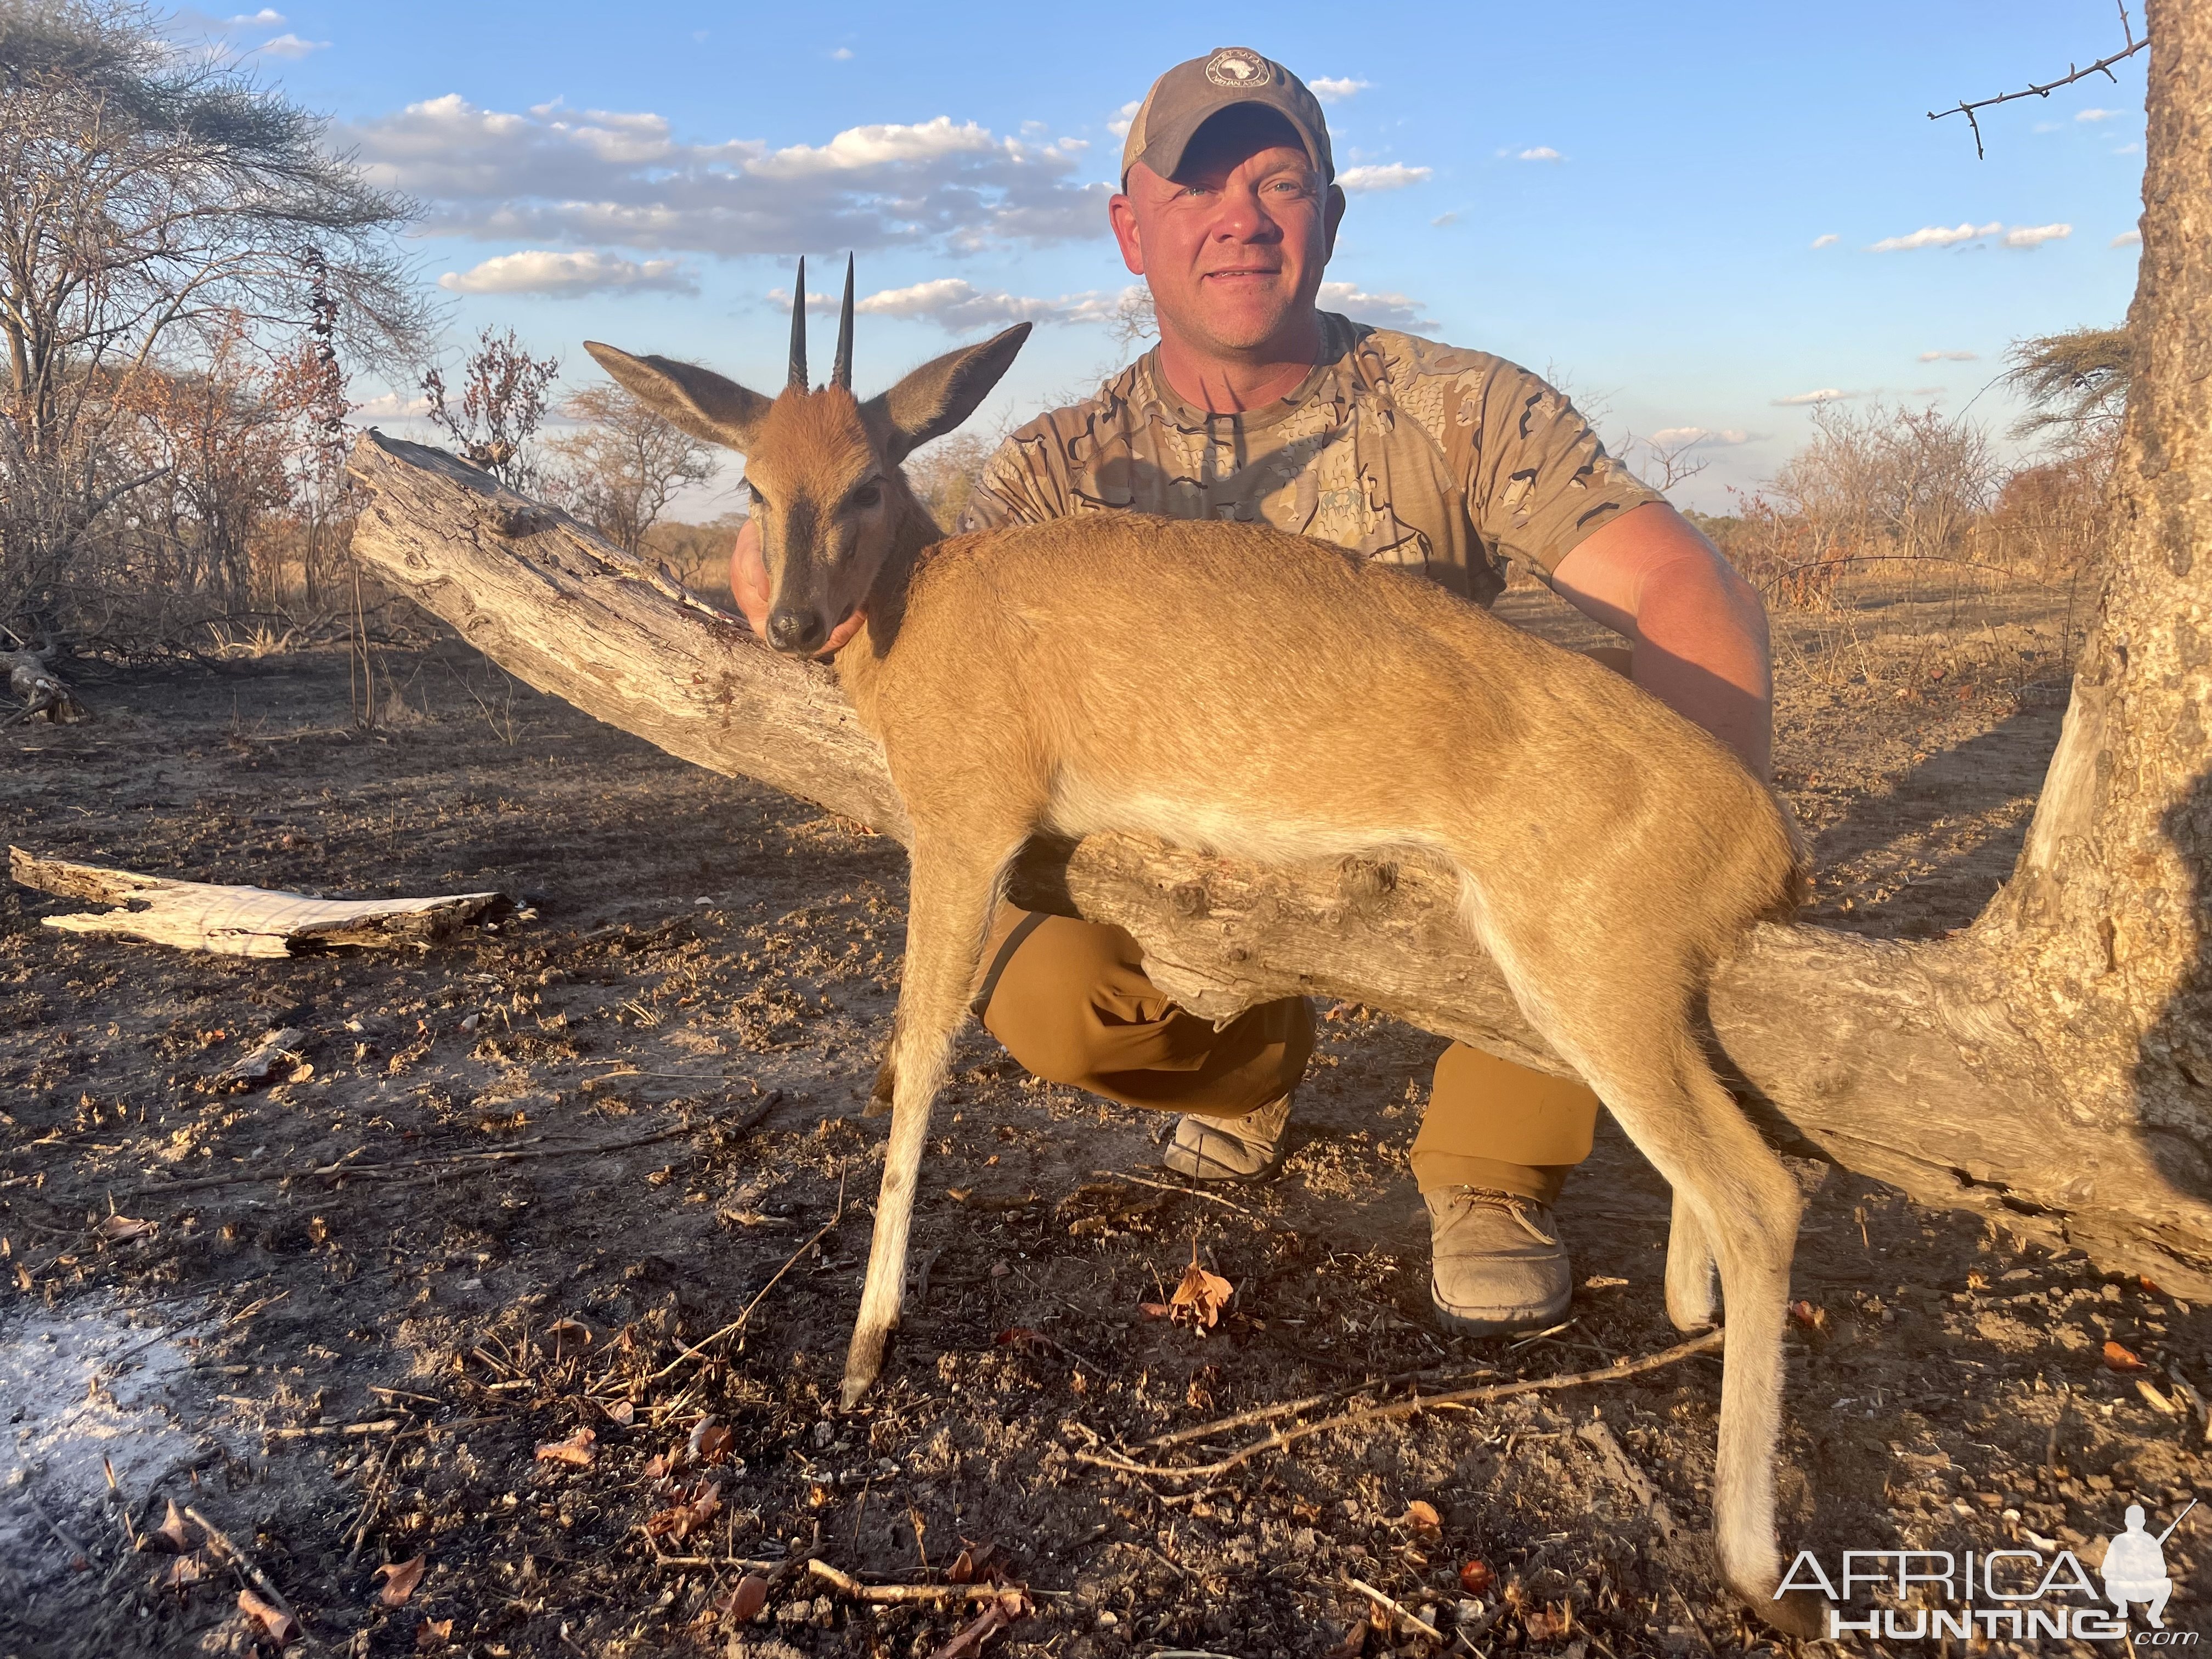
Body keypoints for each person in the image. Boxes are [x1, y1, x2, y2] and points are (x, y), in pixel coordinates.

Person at [732, 47, 1774, 1336]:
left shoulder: (1461, 405)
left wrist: (1672, 863)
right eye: (1194, 189)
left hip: (1427, 817)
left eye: (1279, 184)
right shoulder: (1063, 462)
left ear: (1330, 217)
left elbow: (1684, 595)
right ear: (1131, 228)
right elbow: (936, 635)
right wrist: (804, 552)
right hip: (1224, 866)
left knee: (1571, 791)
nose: (1239, 219)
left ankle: (1495, 1166)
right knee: (1042, 984)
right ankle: (1240, 1074)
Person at [2101, 1504, 2174, 1626]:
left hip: (2144, 1587)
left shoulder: (2151, 1541)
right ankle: (2122, 1607)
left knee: (2167, 1584)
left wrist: (2148, 1570)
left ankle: (2154, 1615)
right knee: (2111, 1583)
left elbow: (2162, 1572)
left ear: (2126, 1522)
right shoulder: (2119, 1541)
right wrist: (2122, 1575)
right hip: (2123, 1587)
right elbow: (2106, 1572)